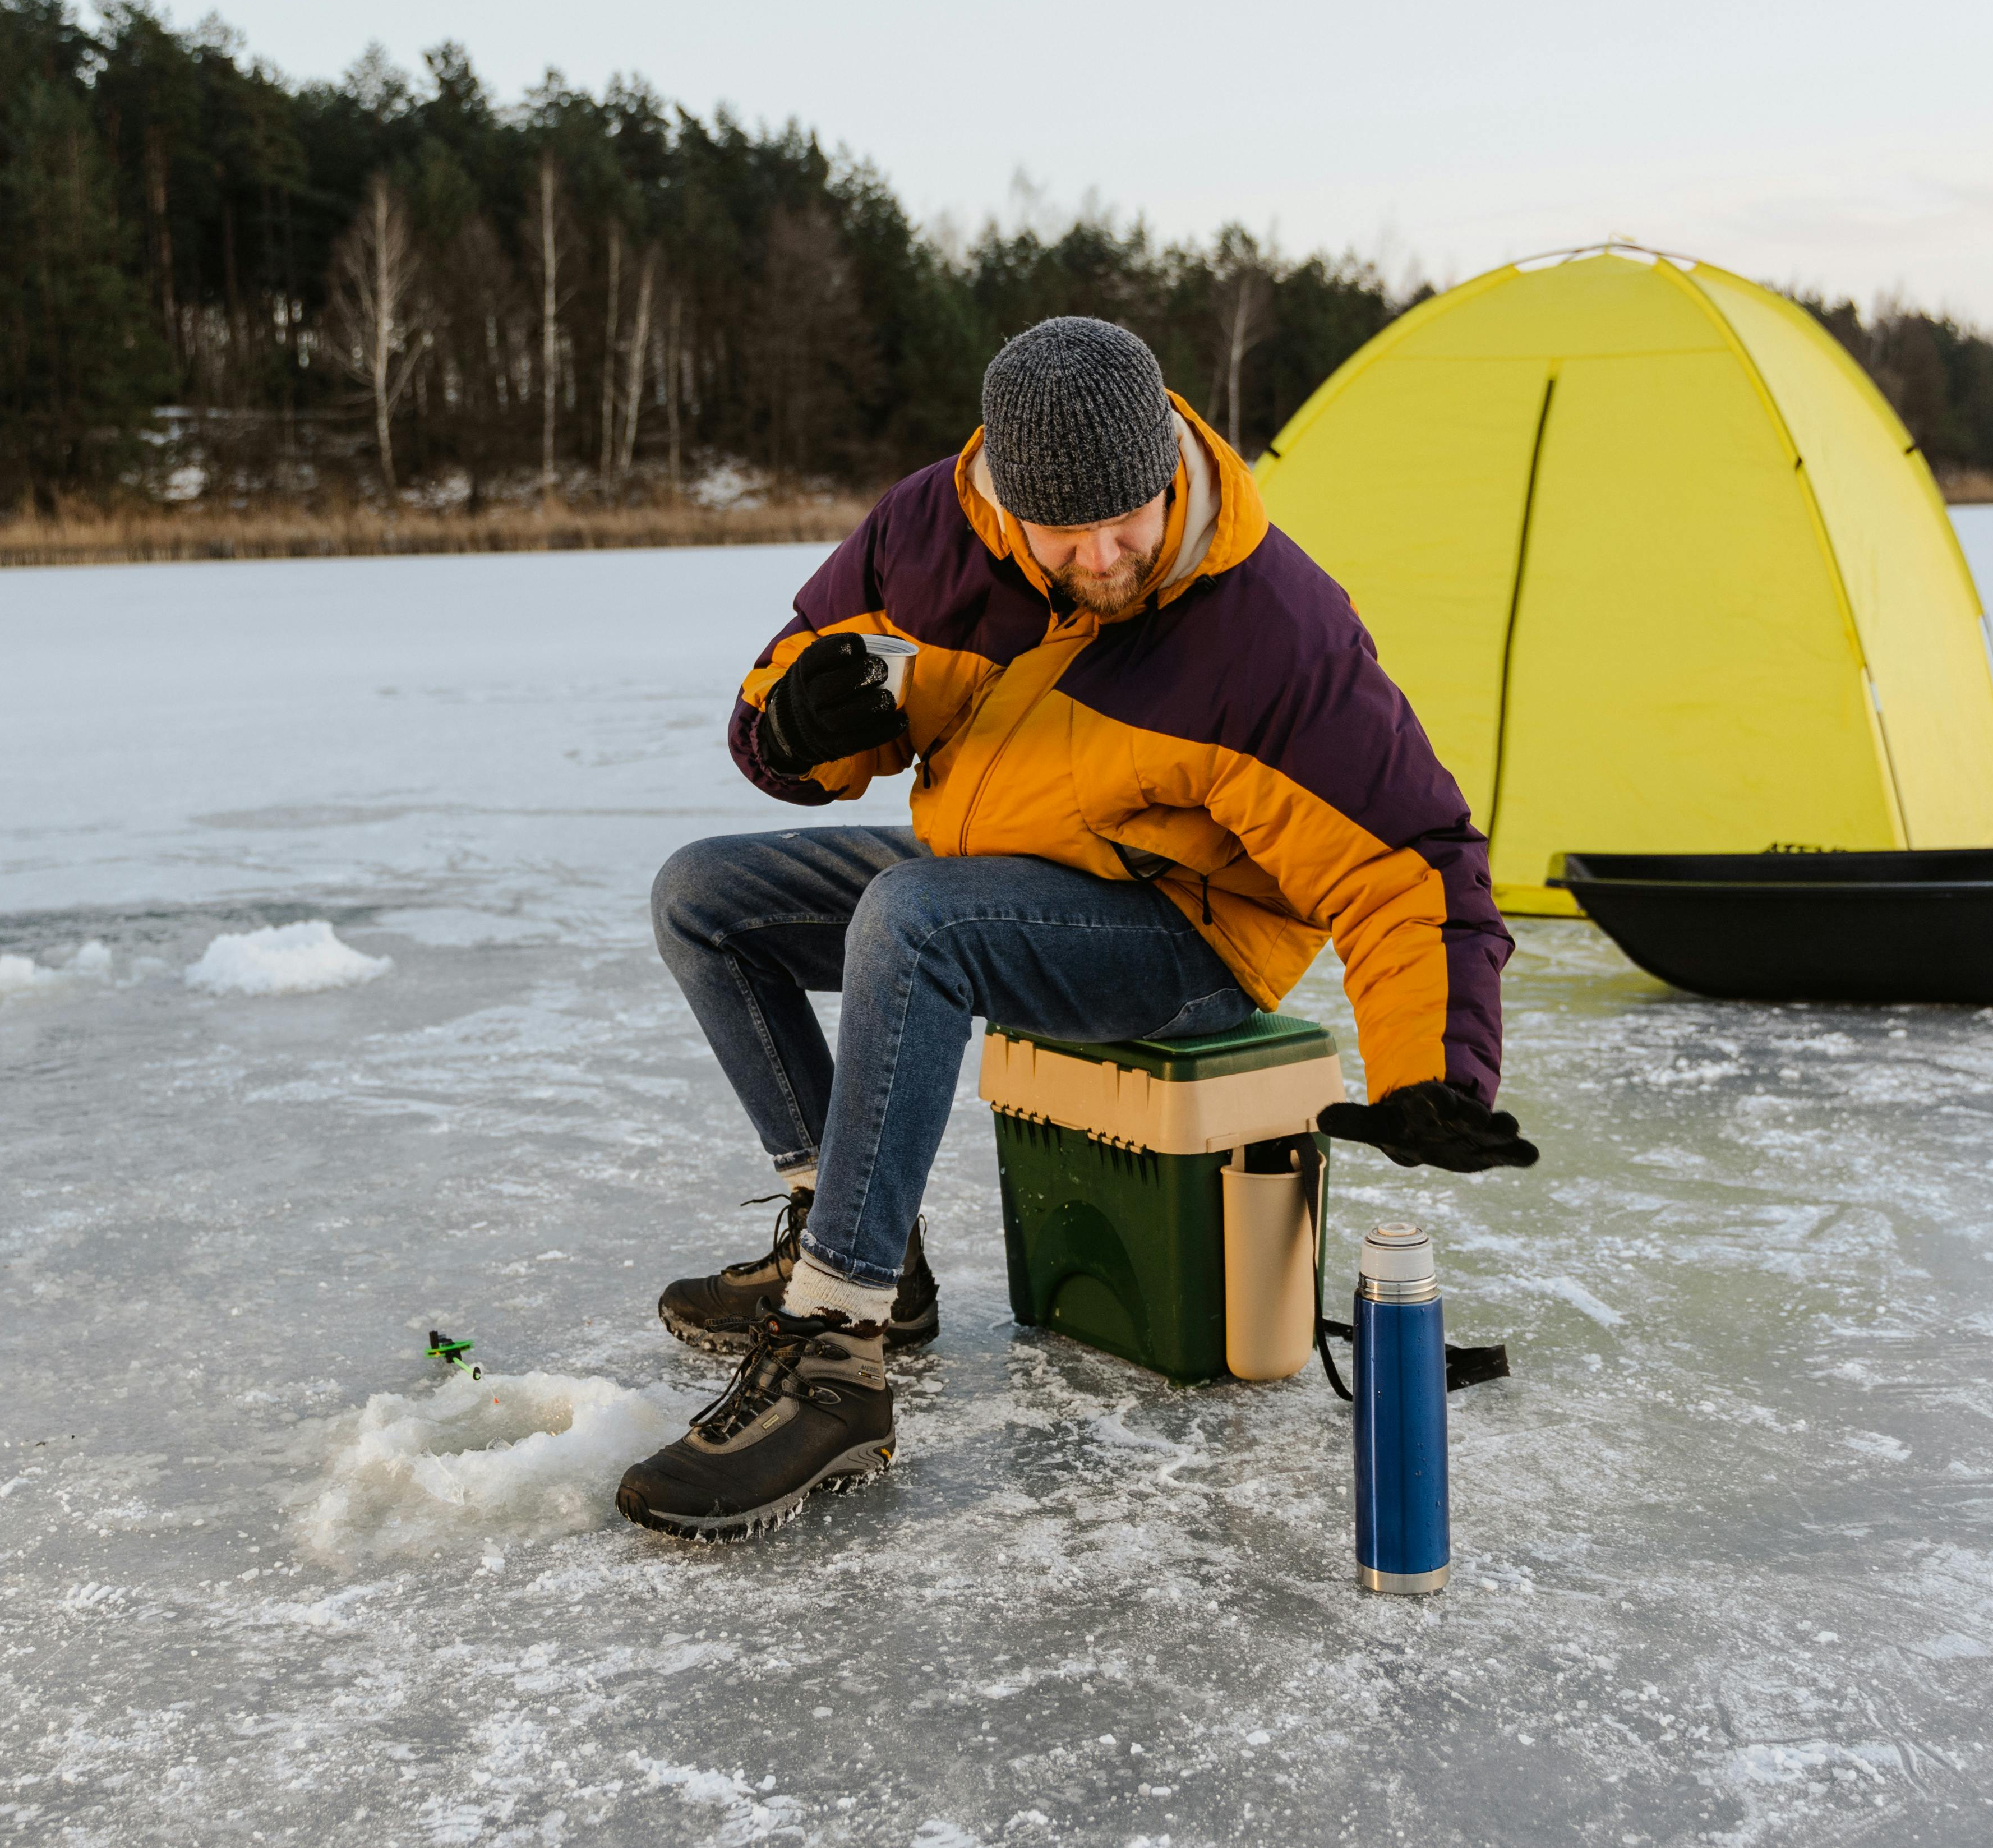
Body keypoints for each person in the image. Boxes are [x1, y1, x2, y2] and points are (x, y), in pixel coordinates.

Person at [616, 315, 1536, 1541]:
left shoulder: (1272, 629)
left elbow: (1408, 860)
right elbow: (792, 675)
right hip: (994, 872)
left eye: (1134, 514)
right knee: (699, 898)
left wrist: (1434, 1071)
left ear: (1165, 463)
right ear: (1002, 494)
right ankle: (846, 1242)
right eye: (1070, 528)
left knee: (911, 920)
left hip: (1182, 937)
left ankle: (836, 1357)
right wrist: (788, 735)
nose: (1110, 554)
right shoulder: (923, 532)